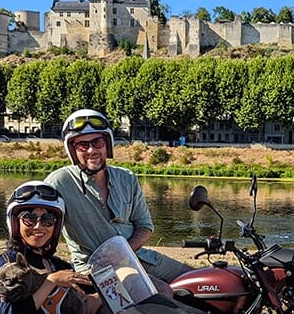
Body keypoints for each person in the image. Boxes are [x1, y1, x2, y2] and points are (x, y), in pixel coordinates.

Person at [44, 108, 191, 293]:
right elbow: (40, 225)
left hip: (139, 256)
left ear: (107, 144)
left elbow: (145, 227)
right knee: (161, 291)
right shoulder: (58, 183)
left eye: (97, 142)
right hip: (95, 268)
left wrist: (123, 252)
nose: (92, 150)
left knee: (198, 279)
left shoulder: (126, 178)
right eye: (83, 145)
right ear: (72, 149)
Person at [0, 181, 107, 314]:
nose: (38, 226)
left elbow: (89, 285)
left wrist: (100, 295)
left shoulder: (54, 262)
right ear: (16, 223)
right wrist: (51, 281)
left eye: (47, 220)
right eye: (29, 219)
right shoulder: (9, 263)